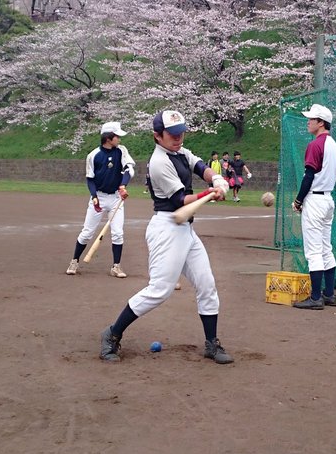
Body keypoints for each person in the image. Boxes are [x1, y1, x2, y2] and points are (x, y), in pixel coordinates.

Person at [98, 108, 235, 364]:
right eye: (172, 134)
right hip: (167, 227)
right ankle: (112, 334)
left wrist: (216, 177)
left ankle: (211, 344)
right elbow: (180, 201)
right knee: (160, 290)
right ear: (157, 136)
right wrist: (210, 193)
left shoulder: (179, 151)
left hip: (185, 230)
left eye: (181, 132)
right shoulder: (160, 162)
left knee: (207, 283)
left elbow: (199, 165)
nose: (178, 138)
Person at [67, 121, 135, 278]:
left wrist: (123, 186)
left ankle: (116, 266)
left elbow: (128, 169)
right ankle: (74, 261)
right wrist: (94, 196)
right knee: (87, 233)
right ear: (108, 138)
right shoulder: (93, 156)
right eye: (117, 136)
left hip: (116, 198)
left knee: (118, 233)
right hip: (100, 197)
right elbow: (90, 179)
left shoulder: (121, 151)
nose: (119, 139)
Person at [292, 103, 336, 309]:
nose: (308, 122)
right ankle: (329, 294)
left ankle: (315, 298)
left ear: (321, 123)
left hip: (315, 200)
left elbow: (309, 176)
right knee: (325, 248)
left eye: (312, 119)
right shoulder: (333, 144)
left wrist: (298, 200)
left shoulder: (315, 145)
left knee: (313, 251)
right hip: (328, 200)